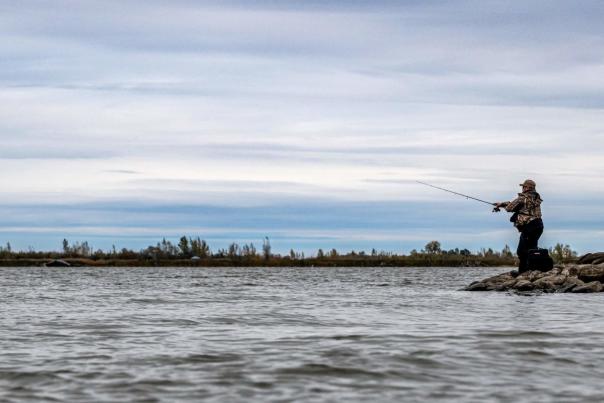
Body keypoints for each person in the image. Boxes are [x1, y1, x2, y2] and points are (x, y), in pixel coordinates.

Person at [493, 179, 544, 273]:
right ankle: (533, 270)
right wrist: (502, 204)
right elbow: (517, 206)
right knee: (532, 249)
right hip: (539, 225)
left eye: (523, 187)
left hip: (530, 226)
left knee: (522, 251)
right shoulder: (536, 198)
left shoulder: (523, 197)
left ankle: (523, 272)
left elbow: (510, 208)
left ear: (527, 188)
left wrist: (501, 205)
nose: (522, 188)